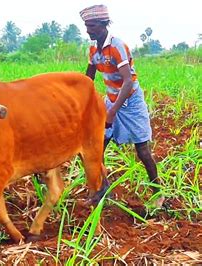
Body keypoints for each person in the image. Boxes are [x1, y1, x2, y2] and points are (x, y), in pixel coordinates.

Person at [79, 4, 165, 208]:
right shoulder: (93, 49)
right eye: (86, 26)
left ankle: (159, 194)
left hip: (131, 102)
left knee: (142, 150)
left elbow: (127, 82)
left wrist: (112, 112)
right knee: (98, 147)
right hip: (111, 100)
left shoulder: (117, 46)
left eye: (91, 26)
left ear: (103, 24)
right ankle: (103, 191)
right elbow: (89, 77)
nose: (88, 30)